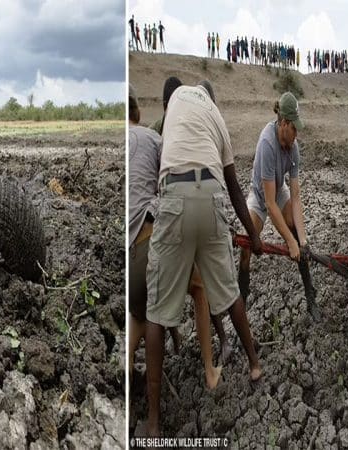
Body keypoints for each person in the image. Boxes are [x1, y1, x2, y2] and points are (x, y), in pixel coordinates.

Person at [144, 80, 263, 436]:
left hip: (175, 195)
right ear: (212, 99)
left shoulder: (176, 99)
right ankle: (255, 365)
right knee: (228, 292)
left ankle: (152, 423)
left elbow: (165, 160)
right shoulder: (217, 116)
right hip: (211, 197)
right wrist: (253, 235)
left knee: (157, 311)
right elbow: (235, 187)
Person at [128, 84, 225, 392]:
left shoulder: (141, 136)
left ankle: (131, 371)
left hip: (131, 245)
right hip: (155, 230)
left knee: (140, 314)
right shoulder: (157, 137)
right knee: (198, 287)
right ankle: (209, 370)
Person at [238, 92, 321, 321]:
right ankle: (241, 307)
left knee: (295, 228)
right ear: (283, 123)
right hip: (260, 195)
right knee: (246, 248)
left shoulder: (293, 148)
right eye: (294, 128)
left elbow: (294, 196)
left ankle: (310, 294)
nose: (296, 133)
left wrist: (301, 240)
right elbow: (270, 203)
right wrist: (290, 243)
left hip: (279, 188)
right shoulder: (267, 144)